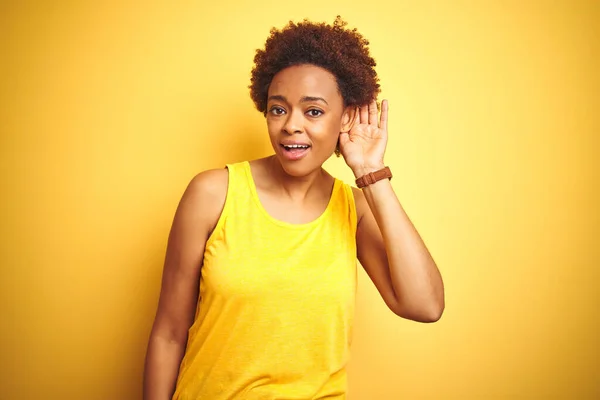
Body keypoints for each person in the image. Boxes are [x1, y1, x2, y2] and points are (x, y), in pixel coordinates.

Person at [143, 16, 444, 400]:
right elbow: (168, 334)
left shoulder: (353, 209)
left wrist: (371, 172)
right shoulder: (213, 193)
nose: (291, 126)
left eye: (314, 111)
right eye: (278, 109)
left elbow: (425, 305)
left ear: (345, 116)